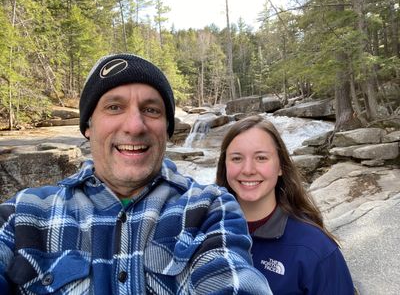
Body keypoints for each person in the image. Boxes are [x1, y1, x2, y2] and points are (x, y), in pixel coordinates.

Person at [0, 54, 272, 295]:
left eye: (151, 110)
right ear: (88, 127)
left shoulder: (208, 209)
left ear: (167, 129)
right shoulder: (22, 214)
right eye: (114, 107)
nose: (135, 125)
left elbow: (232, 279)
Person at [216, 115, 355, 294]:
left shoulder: (315, 248)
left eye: (261, 158)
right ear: (224, 165)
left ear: (280, 166)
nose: (248, 170)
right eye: (236, 158)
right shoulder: (205, 232)